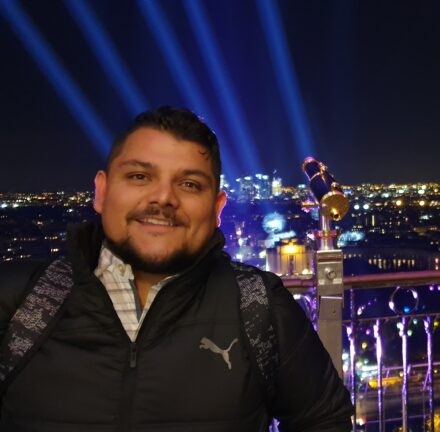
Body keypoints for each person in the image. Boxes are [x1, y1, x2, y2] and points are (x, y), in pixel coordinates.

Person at [0, 107, 353, 431]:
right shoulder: (21, 302)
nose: (163, 197)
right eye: (139, 176)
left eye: (189, 184)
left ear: (217, 208)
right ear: (102, 192)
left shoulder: (260, 307)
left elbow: (325, 420)